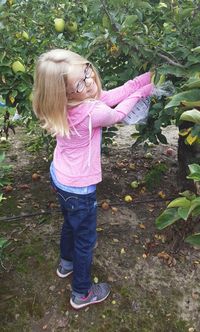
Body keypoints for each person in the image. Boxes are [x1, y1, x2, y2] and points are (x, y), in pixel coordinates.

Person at [32, 48, 154, 309]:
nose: (89, 81)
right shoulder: (92, 113)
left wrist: (146, 78)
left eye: (87, 71)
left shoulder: (59, 107)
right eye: (80, 82)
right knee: (85, 241)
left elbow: (108, 95)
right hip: (80, 189)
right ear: (64, 93)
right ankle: (81, 293)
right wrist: (142, 91)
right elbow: (118, 113)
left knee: (69, 225)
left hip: (60, 178)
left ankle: (66, 265)